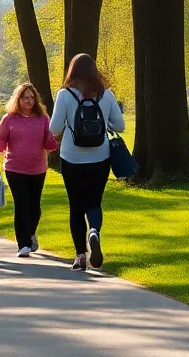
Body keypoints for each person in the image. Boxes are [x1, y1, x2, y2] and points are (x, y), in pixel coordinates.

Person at [49, 54, 125, 271]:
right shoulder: (106, 95)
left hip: (71, 157)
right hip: (100, 157)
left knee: (75, 206)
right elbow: (120, 126)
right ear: (94, 70)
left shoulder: (65, 95)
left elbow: (53, 129)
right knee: (94, 202)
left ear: (72, 71)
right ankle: (94, 231)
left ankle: (80, 256)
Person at [0, 82, 59, 257]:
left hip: (38, 169)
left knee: (35, 207)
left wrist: (56, 139)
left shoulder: (43, 119)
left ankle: (30, 234)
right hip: (14, 169)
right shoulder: (9, 118)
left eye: (32, 98)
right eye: (25, 98)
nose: (29, 101)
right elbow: (0, 141)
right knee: (22, 205)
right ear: (18, 99)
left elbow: (49, 144)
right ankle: (23, 244)